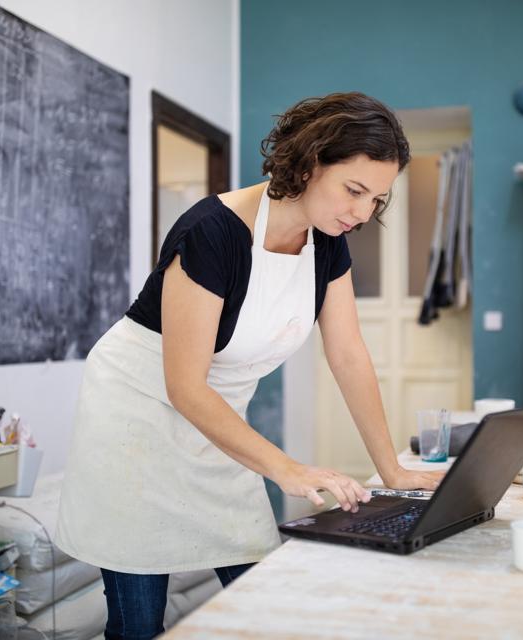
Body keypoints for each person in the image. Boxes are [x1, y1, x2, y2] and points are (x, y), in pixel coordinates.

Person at [56, 92, 445, 639]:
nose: (362, 213)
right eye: (354, 190)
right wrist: (288, 468)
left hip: (218, 423)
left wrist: (391, 469)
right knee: (140, 620)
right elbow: (185, 386)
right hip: (137, 412)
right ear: (309, 164)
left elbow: (348, 354)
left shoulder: (328, 242)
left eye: (377, 200)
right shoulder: (212, 232)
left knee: (266, 597)